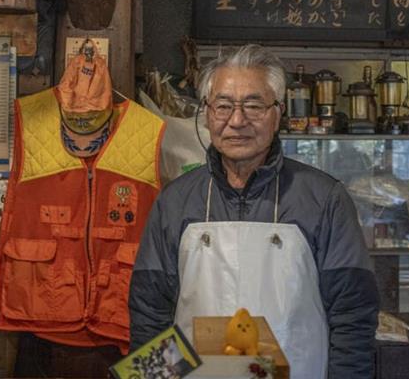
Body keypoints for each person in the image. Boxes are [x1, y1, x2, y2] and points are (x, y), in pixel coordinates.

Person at [129, 44, 379, 378]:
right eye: (223, 106)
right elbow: (149, 313)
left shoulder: (324, 198)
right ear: (206, 113)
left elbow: (353, 316)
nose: (237, 120)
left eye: (253, 105)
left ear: (277, 113)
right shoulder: (174, 202)